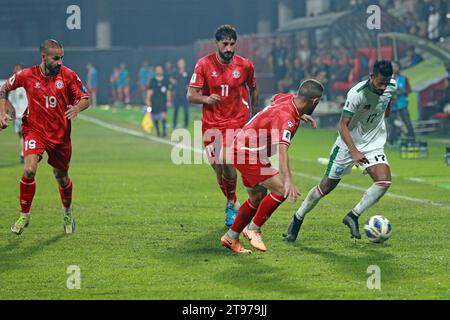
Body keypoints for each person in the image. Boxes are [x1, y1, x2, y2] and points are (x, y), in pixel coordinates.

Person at [284, 61, 397, 242]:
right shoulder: (357, 94)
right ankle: (298, 217)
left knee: (383, 181)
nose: (384, 87)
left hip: (373, 143)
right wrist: (353, 152)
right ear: (372, 77)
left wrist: (386, 110)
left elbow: (388, 102)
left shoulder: (391, 86)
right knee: (326, 187)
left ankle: (353, 215)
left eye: (387, 82)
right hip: (347, 144)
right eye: (380, 83)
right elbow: (342, 125)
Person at [220, 80, 323, 253]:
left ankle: (231, 237)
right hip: (248, 154)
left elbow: (275, 98)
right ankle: (253, 229)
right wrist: (288, 180)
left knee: (257, 197)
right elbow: (282, 150)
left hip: (242, 147)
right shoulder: (287, 118)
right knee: (282, 189)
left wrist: (301, 115)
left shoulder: (288, 99)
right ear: (315, 101)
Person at [0, 39, 90, 235]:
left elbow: (85, 98)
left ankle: (67, 211)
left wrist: (76, 107)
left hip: (60, 135)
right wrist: (4, 110)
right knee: (29, 169)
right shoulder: (27, 75)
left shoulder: (68, 75)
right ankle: (25, 214)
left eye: (62, 58)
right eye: (55, 58)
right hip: (35, 130)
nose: (60, 62)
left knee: (61, 176)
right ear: (44, 57)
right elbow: (4, 89)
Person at [187, 25, 259, 227]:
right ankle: (233, 201)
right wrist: (206, 99)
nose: (229, 48)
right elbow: (190, 95)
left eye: (232, 44)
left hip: (235, 121)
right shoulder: (203, 64)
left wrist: (254, 114)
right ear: (216, 43)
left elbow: (253, 87)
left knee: (227, 160)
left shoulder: (245, 66)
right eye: (225, 44)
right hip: (211, 125)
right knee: (218, 169)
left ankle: (230, 203)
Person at [388, 61, 415, 145]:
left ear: (399, 67)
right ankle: (392, 140)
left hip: (402, 103)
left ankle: (411, 138)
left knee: (407, 121)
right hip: (392, 104)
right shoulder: (388, 79)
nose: (394, 68)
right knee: (392, 123)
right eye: (392, 66)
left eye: (395, 66)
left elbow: (409, 90)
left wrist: (402, 92)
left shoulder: (403, 78)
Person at [7, 64, 28, 163]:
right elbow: (10, 101)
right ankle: (24, 154)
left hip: (24, 115)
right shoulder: (15, 86)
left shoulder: (20, 84)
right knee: (23, 136)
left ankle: (24, 154)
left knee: (24, 136)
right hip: (19, 115)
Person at [146, 65, 172, 137]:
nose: (159, 71)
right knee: (155, 116)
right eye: (157, 69)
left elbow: (168, 91)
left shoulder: (166, 80)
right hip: (154, 101)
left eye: (160, 69)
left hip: (163, 101)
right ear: (155, 71)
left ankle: (164, 132)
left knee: (164, 116)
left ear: (162, 71)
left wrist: (169, 101)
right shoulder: (152, 80)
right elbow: (149, 91)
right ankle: (158, 131)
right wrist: (148, 100)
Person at [172, 58, 190, 129]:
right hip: (177, 94)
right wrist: (173, 82)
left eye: (182, 63)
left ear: (184, 64)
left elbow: (191, 81)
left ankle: (186, 125)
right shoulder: (175, 72)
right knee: (176, 110)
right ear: (178, 64)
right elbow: (170, 78)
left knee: (186, 110)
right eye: (180, 63)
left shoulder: (187, 72)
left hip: (185, 95)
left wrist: (188, 86)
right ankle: (174, 124)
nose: (181, 64)